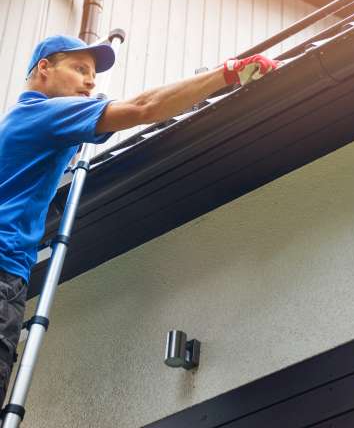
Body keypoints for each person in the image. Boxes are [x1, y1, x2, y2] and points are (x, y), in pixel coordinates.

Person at [0, 34, 278, 406]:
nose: (91, 81)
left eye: (94, 74)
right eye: (80, 69)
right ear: (44, 69)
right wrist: (227, 73)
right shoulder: (45, 114)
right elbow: (144, 106)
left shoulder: (19, 121)